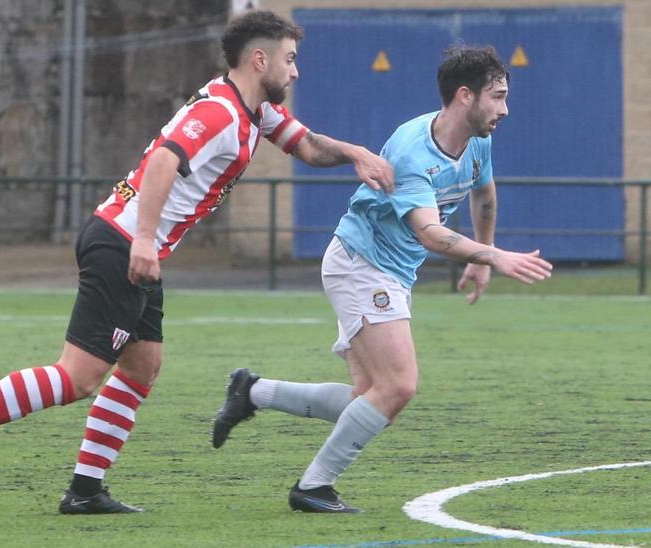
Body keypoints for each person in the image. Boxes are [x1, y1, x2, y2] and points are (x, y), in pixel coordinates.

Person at [0, 9, 394, 514]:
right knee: (78, 376)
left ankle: (85, 491)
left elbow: (310, 146)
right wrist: (145, 240)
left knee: (142, 366)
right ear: (259, 60)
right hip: (124, 243)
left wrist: (356, 153)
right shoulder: (220, 115)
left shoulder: (252, 111)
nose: (295, 72)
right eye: (290, 60)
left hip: (132, 243)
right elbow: (165, 159)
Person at [211, 45, 552, 513]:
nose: (505, 109)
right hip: (362, 262)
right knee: (398, 388)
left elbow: (484, 193)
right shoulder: (414, 150)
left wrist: (478, 255)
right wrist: (494, 255)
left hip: (384, 267)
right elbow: (430, 234)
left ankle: (251, 391)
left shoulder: (479, 139)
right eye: (497, 97)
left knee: (367, 399)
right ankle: (313, 487)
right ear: (465, 96)